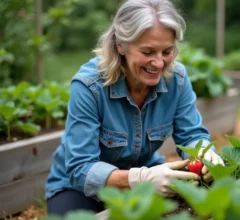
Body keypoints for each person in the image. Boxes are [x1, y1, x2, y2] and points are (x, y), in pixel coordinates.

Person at [45, 0, 224, 216]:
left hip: (147, 175)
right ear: (121, 45)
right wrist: (138, 179)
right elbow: (81, 167)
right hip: (79, 187)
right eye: (148, 52)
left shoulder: (176, 79)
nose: (159, 63)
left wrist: (205, 153)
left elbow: (192, 134)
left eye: (167, 51)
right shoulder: (89, 86)